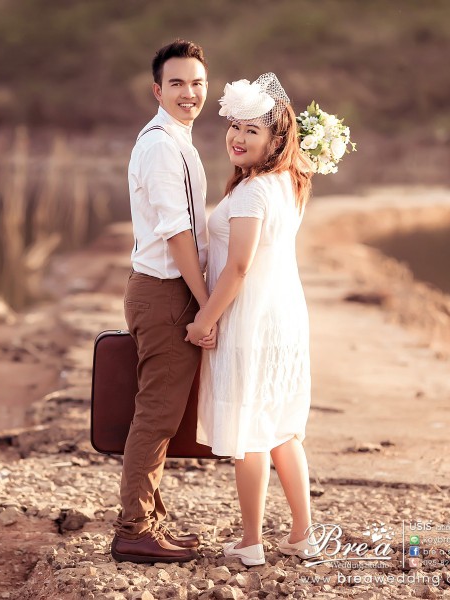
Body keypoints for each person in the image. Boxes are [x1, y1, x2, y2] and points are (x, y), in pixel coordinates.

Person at [184, 73, 317, 566]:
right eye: (234, 126)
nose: (237, 138)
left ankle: (251, 541)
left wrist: (204, 320)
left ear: (275, 140)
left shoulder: (253, 193)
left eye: (252, 131)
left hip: (251, 322)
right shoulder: (289, 181)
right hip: (282, 319)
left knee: (251, 433)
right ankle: (302, 534)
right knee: (281, 428)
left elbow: (238, 266)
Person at [111, 39, 216, 564]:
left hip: (167, 291)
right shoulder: (159, 145)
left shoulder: (177, 139)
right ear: (157, 89)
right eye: (176, 83)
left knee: (163, 413)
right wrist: (206, 302)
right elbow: (176, 233)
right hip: (165, 293)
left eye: (197, 83)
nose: (189, 93)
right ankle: (133, 529)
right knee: (155, 416)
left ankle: (149, 519)